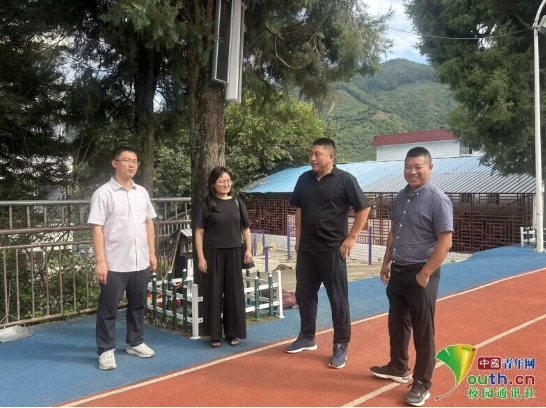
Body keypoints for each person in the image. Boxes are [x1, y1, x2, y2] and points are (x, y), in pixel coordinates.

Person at [370, 147, 453, 407]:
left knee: (423, 332)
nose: (412, 171)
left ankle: (422, 383)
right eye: (408, 167)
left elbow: (445, 242)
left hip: (420, 274)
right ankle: (397, 366)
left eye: (418, 167)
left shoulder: (438, 200)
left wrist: (425, 274)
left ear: (430, 168)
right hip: (398, 271)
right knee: (397, 324)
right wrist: (386, 262)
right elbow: (395, 231)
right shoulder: (401, 196)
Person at [284, 138, 371, 369]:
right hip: (307, 249)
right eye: (311, 154)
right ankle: (307, 337)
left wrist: (351, 237)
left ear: (331, 156)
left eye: (317, 154)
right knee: (304, 295)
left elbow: (364, 208)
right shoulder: (304, 179)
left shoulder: (345, 180)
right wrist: (298, 238)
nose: (312, 158)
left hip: (332, 249)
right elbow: (299, 209)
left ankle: (340, 345)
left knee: (338, 299)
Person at [88, 147, 158, 371]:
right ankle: (106, 349)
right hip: (115, 262)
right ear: (114, 163)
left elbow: (148, 222)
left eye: (135, 161)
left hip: (140, 260)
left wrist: (152, 253)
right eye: (127, 160)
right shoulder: (103, 193)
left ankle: (135, 342)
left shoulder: (141, 192)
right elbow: (96, 228)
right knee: (108, 308)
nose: (132, 164)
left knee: (138, 305)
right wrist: (101, 261)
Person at [194, 167, 253, 348]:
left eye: (228, 180)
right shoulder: (205, 205)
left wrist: (248, 249)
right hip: (213, 253)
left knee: (234, 293)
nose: (226, 184)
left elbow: (245, 228)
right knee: (213, 293)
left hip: (235, 251)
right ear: (213, 184)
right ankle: (214, 335)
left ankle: (232, 333)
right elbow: (199, 233)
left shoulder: (238, 203)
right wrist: (201, 257)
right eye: (221, 181)